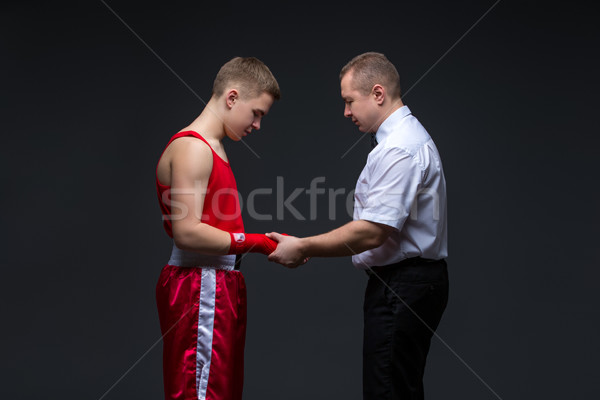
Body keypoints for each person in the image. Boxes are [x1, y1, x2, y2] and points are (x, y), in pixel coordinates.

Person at [267, 52, 449, 400]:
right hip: (407, 284)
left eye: (350, 101)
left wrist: (303, 246)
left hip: (403, 287)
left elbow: (372, 231)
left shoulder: (401, 149)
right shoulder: (398, 142)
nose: (346, 112)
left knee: (388, 393)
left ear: (378, 94)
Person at [155, 56, 280, 400]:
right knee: (200, 394)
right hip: (200, 286)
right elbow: (188, 232)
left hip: (216, 284)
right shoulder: (194, 148)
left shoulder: (214, 147)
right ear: (232, 97)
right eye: (256, 113)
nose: (257, 125)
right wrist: (260, 244)